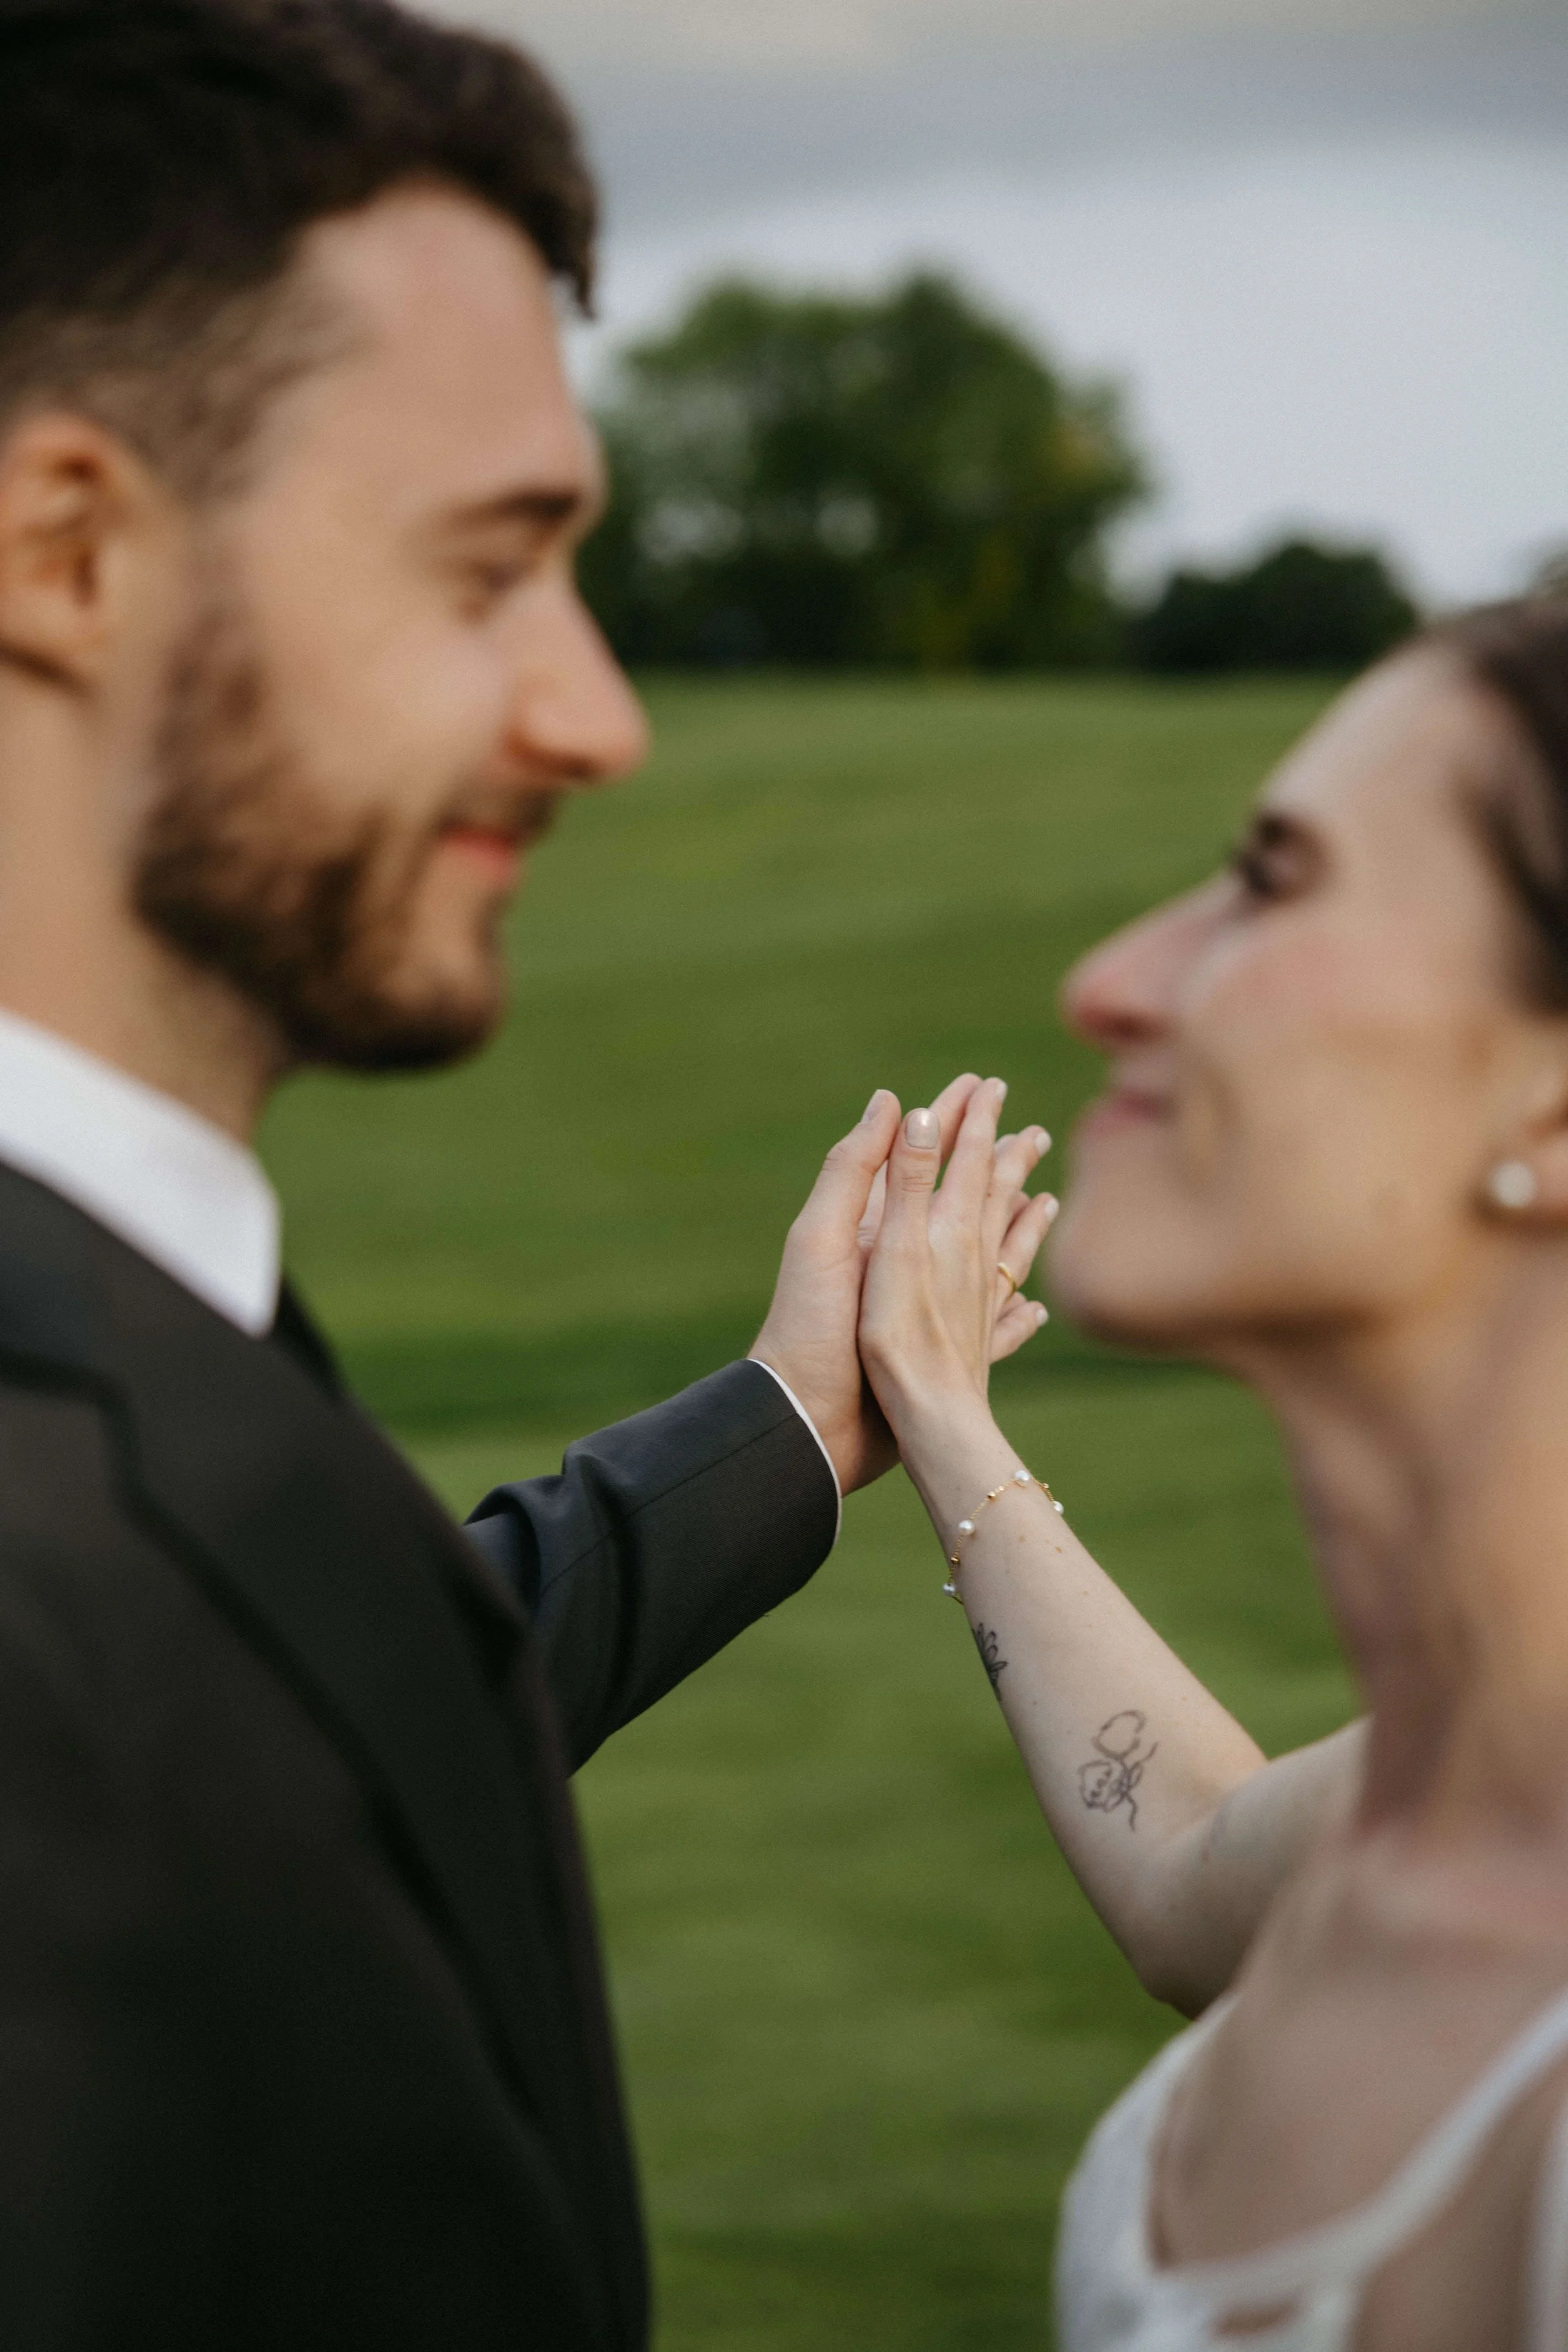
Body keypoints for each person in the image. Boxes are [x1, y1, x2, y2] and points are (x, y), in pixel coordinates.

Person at [0, 5, 1047, 2347]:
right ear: (69, 549)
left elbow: (285, 1697)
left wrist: (793, 1416)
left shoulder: (112, 1339)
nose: (598, 715)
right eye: (489, 571)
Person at [855, 598, 1568, 2349]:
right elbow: (1186, 1866)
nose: (1108, 979)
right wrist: (936, 1403)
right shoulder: (1426, 1810)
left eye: (1270, 880)